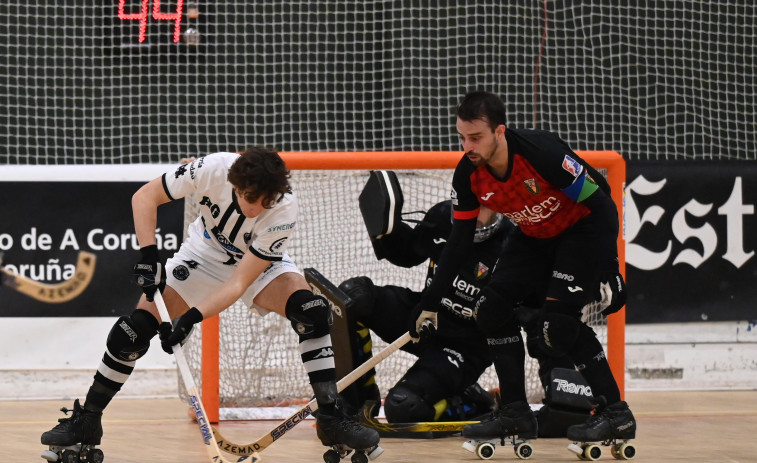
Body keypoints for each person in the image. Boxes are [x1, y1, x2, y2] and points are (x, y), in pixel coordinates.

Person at [40, 148, 379, 455]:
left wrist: (189, 318)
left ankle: (331, 417)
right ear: (233, 183)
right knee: (130, 332)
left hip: (256, 267)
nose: (256, 208)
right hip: (202, 256)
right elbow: (145, 197)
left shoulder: (284, 209)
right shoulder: (213, 169)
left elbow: (238, 283)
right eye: (249, 198)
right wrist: (149, 256)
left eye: (266, 201)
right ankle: (87, 419)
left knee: (313, 312)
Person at [410, 91, 634, 445]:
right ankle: (515, 413)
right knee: (490, 310)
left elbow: (603, 203)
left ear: (500, 131)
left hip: (580, 233)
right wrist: (430, 301)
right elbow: (459, 242)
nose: (467, 146)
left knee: (555, 330)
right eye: (462, 137)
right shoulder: (468, 174)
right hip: (533, 235)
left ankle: (616, 414)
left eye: (476, 137)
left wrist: (610, 268)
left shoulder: (540, 152)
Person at [338, 198, 510, 424]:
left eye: (485, 206)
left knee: (404, 408)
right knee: (353, 298)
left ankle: (475, 402)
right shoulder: (442, 215)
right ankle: (356, 401)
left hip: (465, 348)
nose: (474, 212)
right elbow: (408, 254)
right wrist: (388, 229)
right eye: (469, 202)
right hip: (423, 317)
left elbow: (531, 312)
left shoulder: (512, 243)